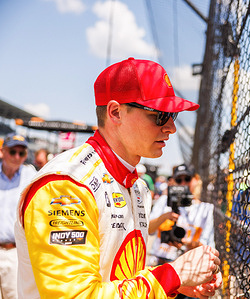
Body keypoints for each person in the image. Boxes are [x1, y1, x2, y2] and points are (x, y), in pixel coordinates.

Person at [14, 58, 221, 298]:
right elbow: (77, 295)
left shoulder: (138, 187)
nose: (171, 128)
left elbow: (119, 276)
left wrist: (175, 283)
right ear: (115, 112)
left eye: (172, 115)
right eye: (160, 115)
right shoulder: (65, 186)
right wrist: (170, 275)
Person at [148, 164, 215, 266]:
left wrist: (187, 243)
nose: (183, 183)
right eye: (179, 180)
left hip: (187, 264)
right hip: (160, 261)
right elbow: (148, 229)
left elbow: (207, 245)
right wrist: (165, 217)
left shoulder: (205, 209)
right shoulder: (163, 201)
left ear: (196, 179)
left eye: (187, 179)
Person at [0, 133, 36, 299]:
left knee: (14, 296)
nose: (17, 156)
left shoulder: (30, 175)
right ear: (3, 151)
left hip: (15, 251)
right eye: (13, 151)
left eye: (21, 153)